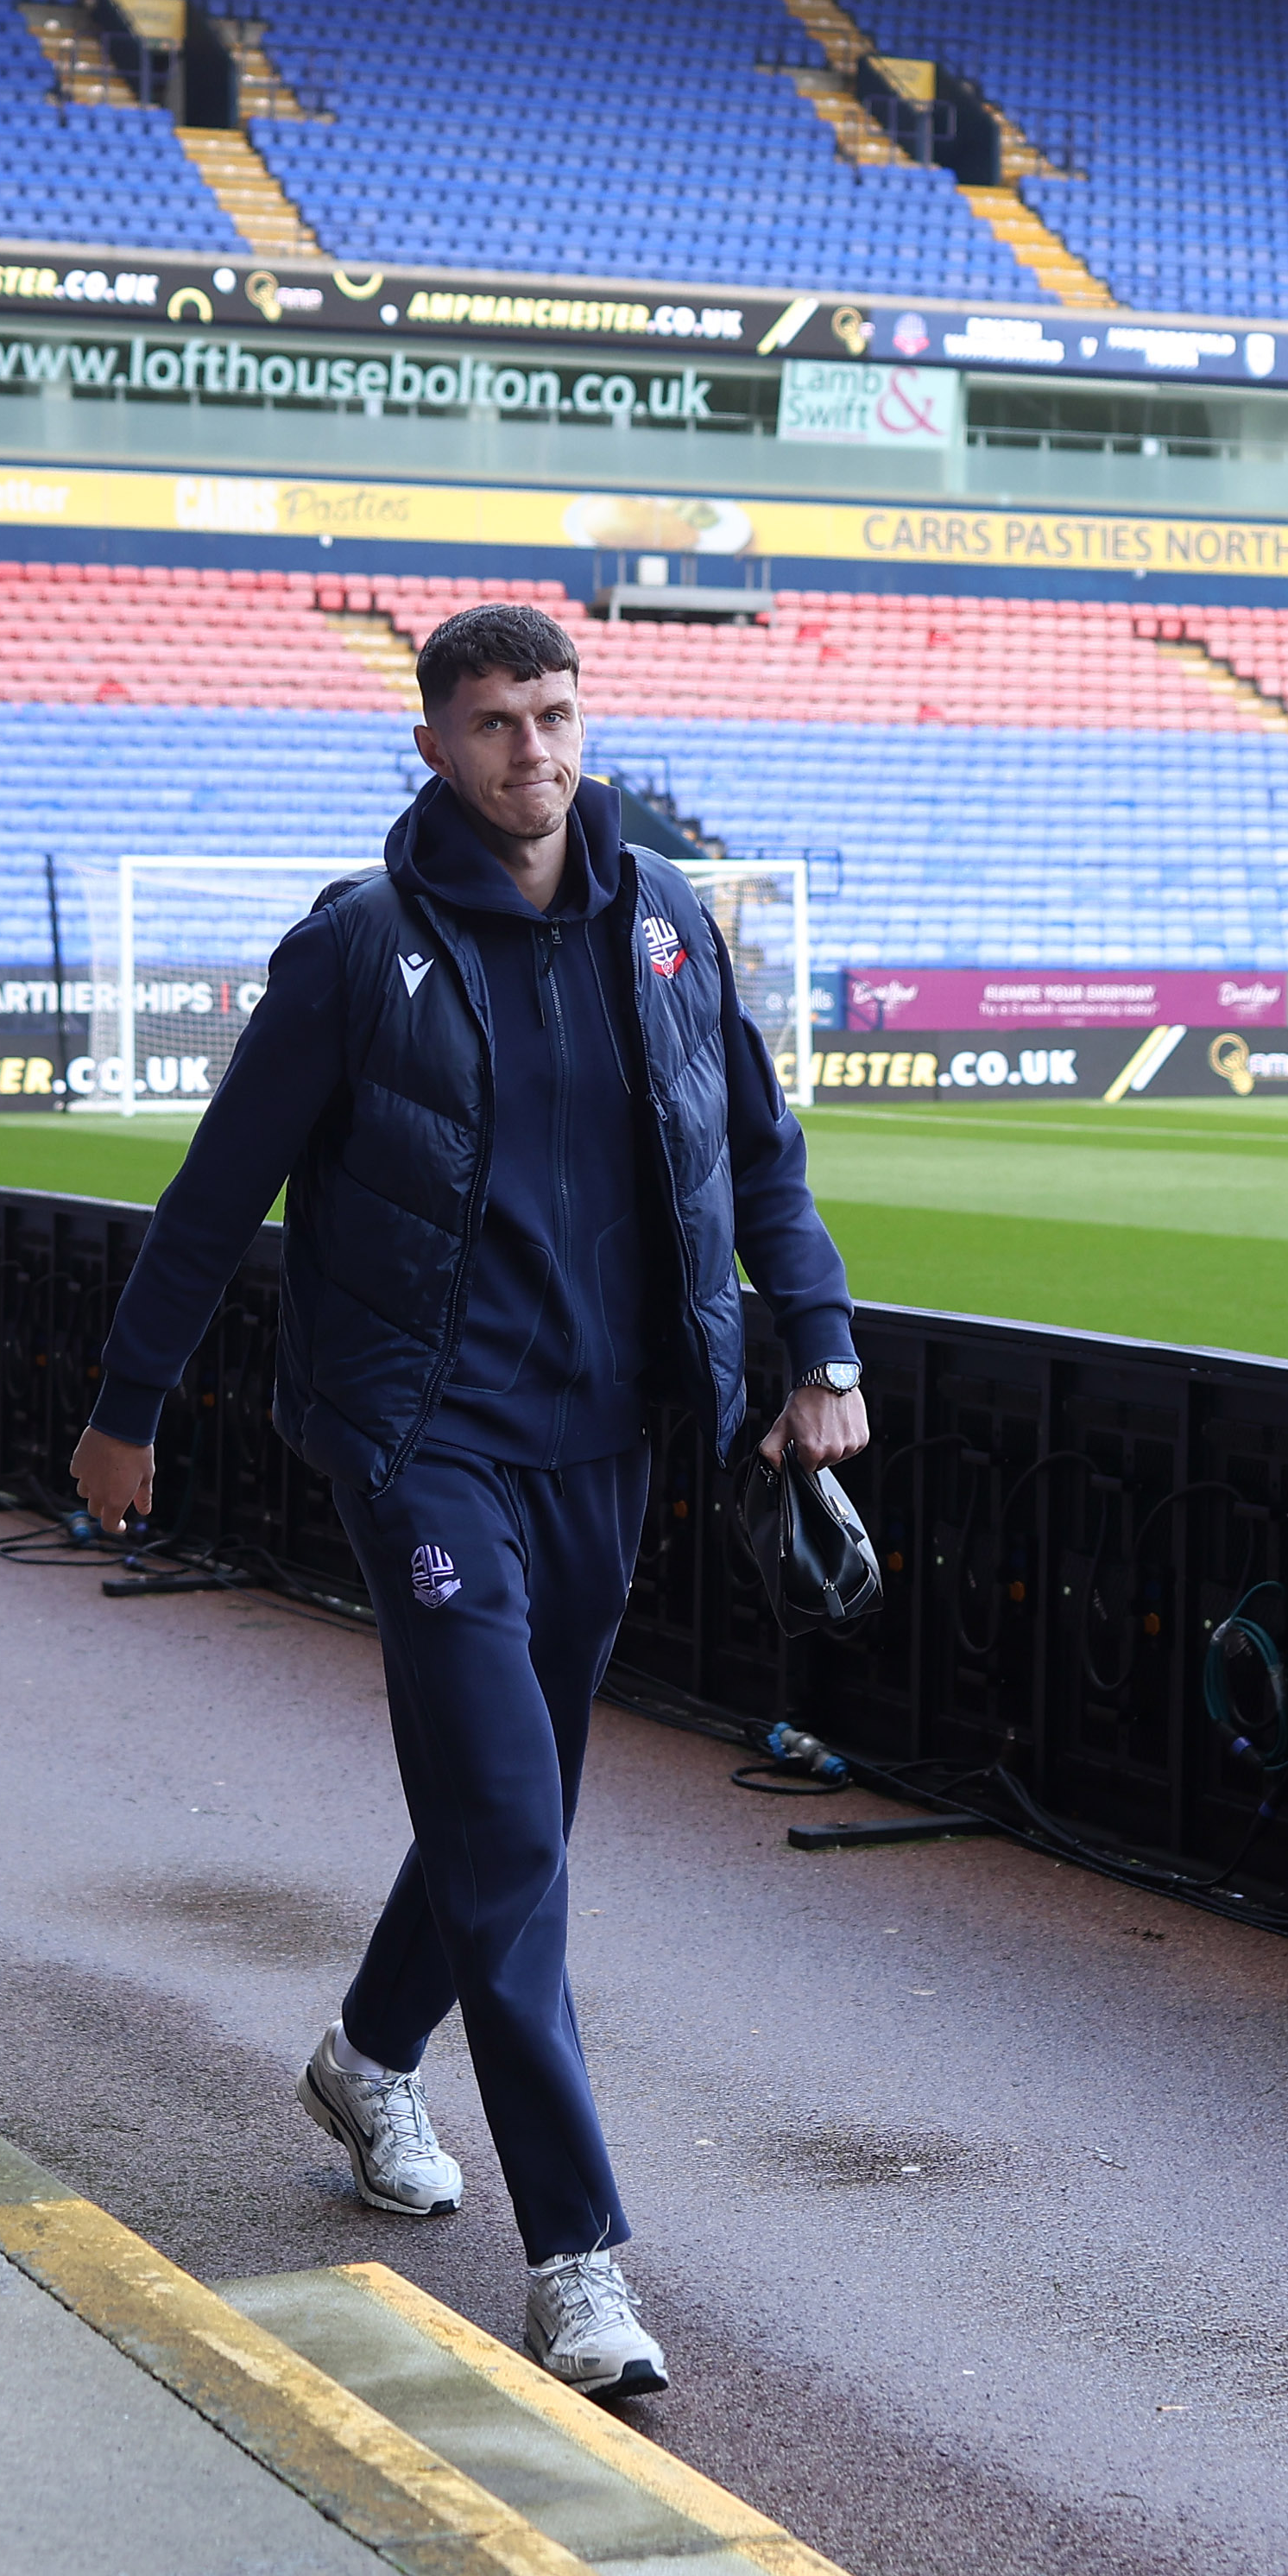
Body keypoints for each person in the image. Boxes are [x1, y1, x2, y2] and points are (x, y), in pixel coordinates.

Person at [69, 603, 866, 2398]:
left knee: (516, 1805)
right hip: (422, 1440)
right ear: (433, 745)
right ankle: (579, 2258)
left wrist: (815, 1345)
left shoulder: (664, 926)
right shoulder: (358, 950)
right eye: (495, 721)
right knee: (515, 1829)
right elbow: (216, 1197)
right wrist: (126, 1411)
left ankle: (366, 2054)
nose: (534, 749)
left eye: (557, 713)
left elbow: (757, 1153)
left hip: (613, 1440)